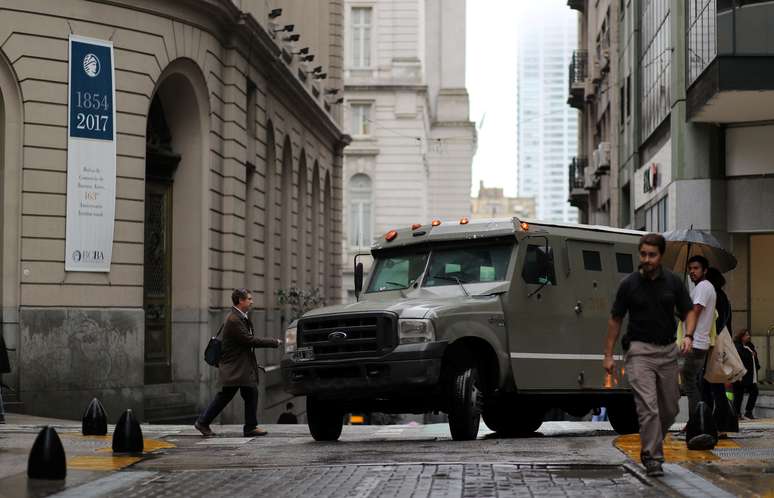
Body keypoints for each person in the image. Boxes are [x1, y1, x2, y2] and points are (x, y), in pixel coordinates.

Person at [604, 233, 696, 477]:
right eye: (643, 254)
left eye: (652, 255)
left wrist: (688, 335)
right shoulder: (629, 284)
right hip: (639, 351)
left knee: (669, 410)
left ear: (660, 256)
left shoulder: (674, 283)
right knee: (649, 408)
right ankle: (652, 456)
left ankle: (652, 446)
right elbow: (615, 320)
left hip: (667, 352)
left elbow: (689, 311)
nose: (646, 259)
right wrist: (609, 355)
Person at [195, 288, 281, 437]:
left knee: (247, 393)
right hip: (235, 367)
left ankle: (249, 426)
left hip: (238, 367)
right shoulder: (234, 320)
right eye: (249, 299)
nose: (252, 301)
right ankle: (204, 422)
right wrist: (274, 342)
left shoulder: (239, 317)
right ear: (240, 301)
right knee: (231, 395)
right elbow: (249, 340)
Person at [681, 255, 717, 418]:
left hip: (695, 343)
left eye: (696, 268)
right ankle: (698, 420)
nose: (692, 272)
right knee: (691, 382)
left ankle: (696, 420)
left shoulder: (703, 287)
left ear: (705, 270)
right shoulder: (703, 287)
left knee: (689, 382)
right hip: (698, 343)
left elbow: (695, 311)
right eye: (690, 269)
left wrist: (688, 335)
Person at [733, 329, 761, 420]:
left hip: (750, 375)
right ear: (741, 337)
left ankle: (748, 412)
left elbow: (754, 357)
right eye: (746, 335)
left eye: (748, 335)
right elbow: (740, 359)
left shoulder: (750, 345)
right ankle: (736, 414)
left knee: (754, 391)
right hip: (740, 375)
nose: (748, 336)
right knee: (738, 395)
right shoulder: (737, 346)